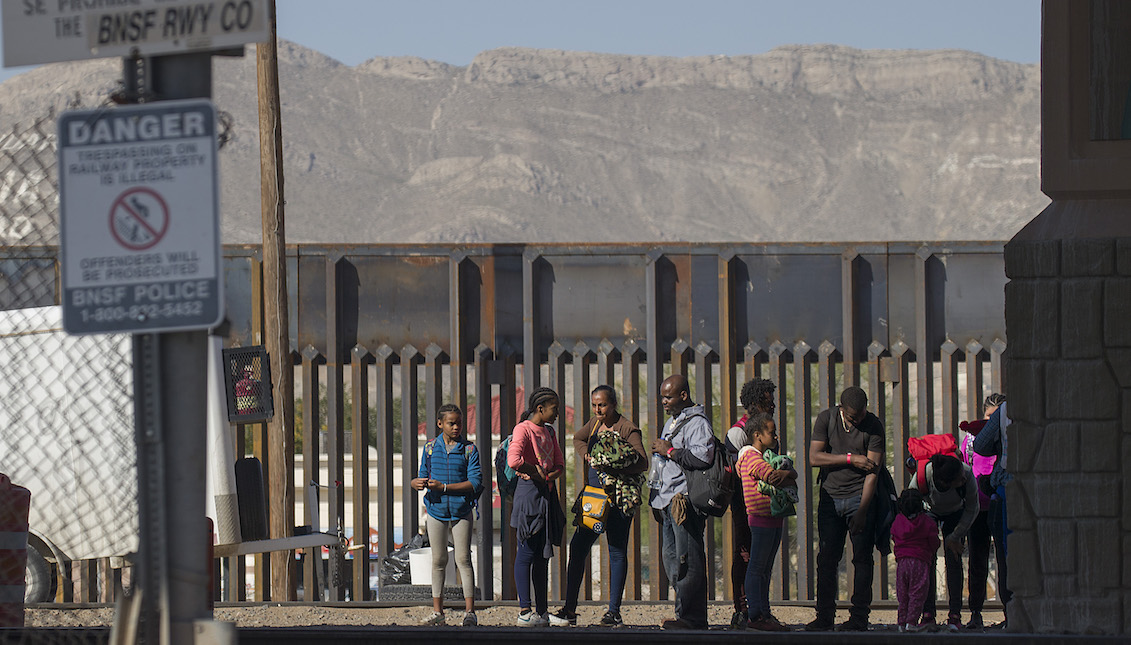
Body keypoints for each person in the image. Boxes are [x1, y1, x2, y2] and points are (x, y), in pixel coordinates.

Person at [549, 385, 647, 628]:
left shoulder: (627, 427)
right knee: (579, 548)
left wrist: (612, 464)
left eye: (602, 404)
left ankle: (613, 612)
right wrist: (586, 455)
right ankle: (569, 609)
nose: (598, 409)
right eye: (594, 405)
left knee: (616, 551)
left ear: (613, 404)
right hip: (594, 499)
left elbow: (642, 462)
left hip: (617, 499)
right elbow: (578, 438)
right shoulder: (593, 424)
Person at [805, 386, 886, 632]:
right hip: (830, 498)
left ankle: (859, 617)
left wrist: (863, 509)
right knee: (827, 558)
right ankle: (824, 617)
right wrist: (851, 459)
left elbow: (874, 471)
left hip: (859, 497)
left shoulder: (873, 426)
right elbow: (814, 458)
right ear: (842, 409)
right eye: (853, 417)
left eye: (861, 414)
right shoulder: (826, 419)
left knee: (862, 559)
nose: (858, 420)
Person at [648, 374, 714, 630]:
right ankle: (682, 613)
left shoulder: (697, 423)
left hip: (684, 501)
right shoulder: (672, 421)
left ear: (683, 396)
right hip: (666, 501)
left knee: (689, 559)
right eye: (663, 396)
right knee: (672, 558)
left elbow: (703, 458)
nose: (664, 401)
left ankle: (693, 618)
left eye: (668, 396)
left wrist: (670, 451)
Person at [411, 404, 483, 626]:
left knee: (463, 559)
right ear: (440, 423)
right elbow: (422, 474)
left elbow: (476, 482)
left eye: (459, 423)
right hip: (436, 511)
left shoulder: (469, 450)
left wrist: (444, 488)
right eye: (452, 423)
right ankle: (438, 612)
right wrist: (416, 482)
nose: (456, 427)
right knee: (439, 560)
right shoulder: (431, 448)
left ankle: (470, 612)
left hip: (461, 511)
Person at [508, 387, 566, 627]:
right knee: (527, 552)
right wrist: (535, 471)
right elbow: (514, 460)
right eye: (554, 409)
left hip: (547, 496)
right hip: (529, 496)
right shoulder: (523, 429)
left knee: (543, 555)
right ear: (540, 408)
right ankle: (524, 610)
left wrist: (550, 475)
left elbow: (560, 463)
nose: (557, 414)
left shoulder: (549, 432)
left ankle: (542, 612)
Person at [735, 412, 796, 631]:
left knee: (766, 568)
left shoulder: (763, 457)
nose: (776, 436)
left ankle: (765, 613)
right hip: (760, 519)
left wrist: (788, 473)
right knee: (757, 567)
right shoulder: (751, 457)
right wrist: (789, 473)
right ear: (757, 435)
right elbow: (773, 476)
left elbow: (785, 474)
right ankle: (756, 615)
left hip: (772, 519)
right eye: (772, 432)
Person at [724, 377, 776, 629]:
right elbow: (738, 472)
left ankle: (761, 609)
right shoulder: (738, 433)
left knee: (762, 560)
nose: (773, 406)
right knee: (745, 555)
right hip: (745, 506)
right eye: (768, 402)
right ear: (754, 404)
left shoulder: (767, 428)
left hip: (766, 506)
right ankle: (743, 610)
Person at [910, 453, 979, 632]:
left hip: (956, 513)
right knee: (927, 562)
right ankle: (927, 614)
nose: (963, 479)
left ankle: (955, 614)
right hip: (929, 511)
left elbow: (973, 508)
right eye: (959, 480)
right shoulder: (923, 476)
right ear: (945, 483)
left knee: (954, 561)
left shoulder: (967, 474)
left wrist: (955, 536)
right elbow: (910, 502)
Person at [956, 392, 1006, 631]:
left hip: (998, 502)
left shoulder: (1006, 436)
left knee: (1005, 559)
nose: (991, 423)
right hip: (977, 506)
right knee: (977, 561)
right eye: (988, 417)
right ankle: (975, 612)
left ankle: (1009, 610)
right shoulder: (971, 440)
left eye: (995, 418)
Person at [972, 395, 1012, 629]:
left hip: (1004, 489)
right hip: (982, 505)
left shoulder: (1005, 411)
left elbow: (982, 445)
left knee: (1005, 555)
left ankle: (1012, 613)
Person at [891, 488, 939, 632]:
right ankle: (911, 622)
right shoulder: (927, 522)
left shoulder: (898, 520)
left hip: (902, 562)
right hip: (920, 561)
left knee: (903, 594)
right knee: (917, 593)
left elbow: (894, 535)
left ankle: (901, 622)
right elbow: (934, 542)